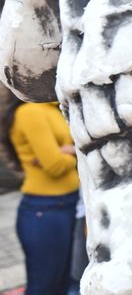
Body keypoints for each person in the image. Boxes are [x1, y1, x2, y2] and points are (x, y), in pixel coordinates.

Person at [8, 100, 79, 295]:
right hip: (45, 209)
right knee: (44, 286)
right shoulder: (31, 112)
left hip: (66, 204)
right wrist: (77, 152)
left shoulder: (55, 108)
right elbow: (55, 165)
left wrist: (68, 150)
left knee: (62, 283)